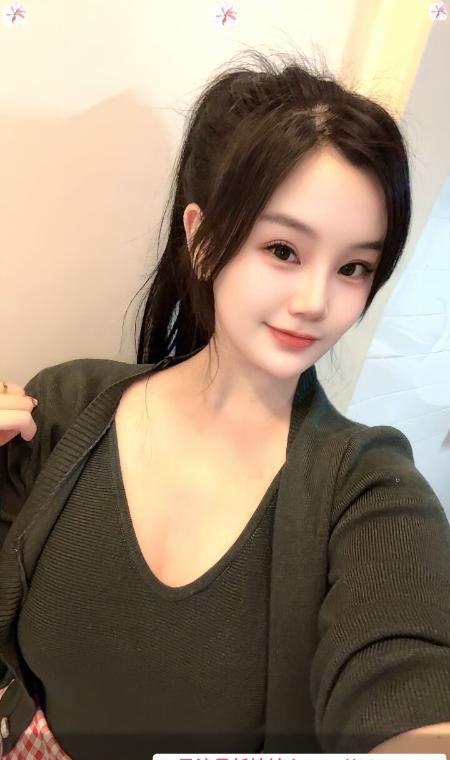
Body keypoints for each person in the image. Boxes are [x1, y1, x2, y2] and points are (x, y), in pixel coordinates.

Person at [0, 48, 449, 760]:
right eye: (284, 250)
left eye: (353, 267)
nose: (316, 301)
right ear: (203, 240)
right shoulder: (63, 409)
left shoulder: (370, 490)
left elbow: (406, 682)